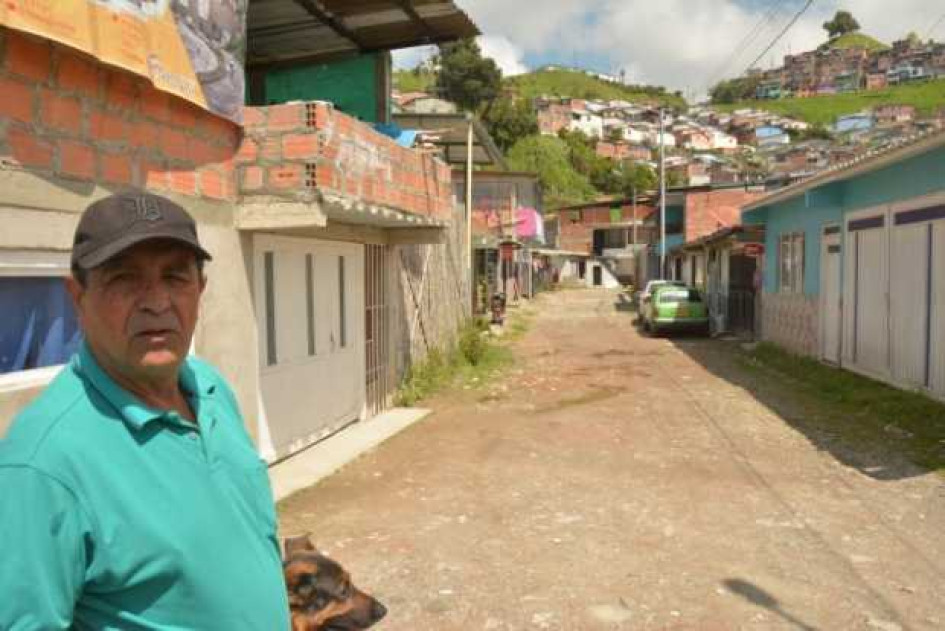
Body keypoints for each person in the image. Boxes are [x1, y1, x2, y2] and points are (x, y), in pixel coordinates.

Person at [0, 192, 290, 629]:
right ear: (77, 296)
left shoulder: (211, 389)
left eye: (175, 277)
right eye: (124, 279)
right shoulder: (41, 464)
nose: (156, 301)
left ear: (201, 290)